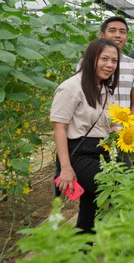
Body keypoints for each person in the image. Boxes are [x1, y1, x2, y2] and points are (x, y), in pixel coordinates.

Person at [50, 38, 123, 234]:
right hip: (79, 154)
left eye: (114, 61)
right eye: (104, 59)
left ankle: (83, 249)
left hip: (101, 151)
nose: (109, 65)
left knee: (91, 204)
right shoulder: (70, 88)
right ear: (91, 59)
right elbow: (59, 129)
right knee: (118, 185)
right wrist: (65, 169)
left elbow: (111, 124)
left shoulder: (105, 90)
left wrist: (122, 139)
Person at [98, 14, 134, 117]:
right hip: (96, 129)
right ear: (102, 35)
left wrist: (130, 126)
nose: (118, 35)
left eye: (122, 32)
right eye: (112, 30)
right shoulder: (87, 62)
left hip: (123, 129)